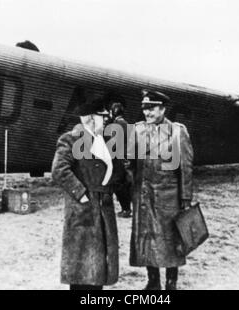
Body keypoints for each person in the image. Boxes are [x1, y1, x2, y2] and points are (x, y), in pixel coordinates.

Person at [126, 90, 194, 290]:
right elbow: (129, 163)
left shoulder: (177, 131)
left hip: (168, 195)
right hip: (144, 194)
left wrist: (185, 197)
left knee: (171, 239)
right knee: (147, 238)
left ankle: (171, 281)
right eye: (145, 108)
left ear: (163, 109)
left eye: (152, 108)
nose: (147, 113)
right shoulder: (136, 130)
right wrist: (134, 185)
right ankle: (153, 279)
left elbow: (186, 166)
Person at [51, 99, 119, 290]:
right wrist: (81, 195)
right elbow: (59, 170)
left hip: (102, 210)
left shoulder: (101, 139)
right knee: (82, 268)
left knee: (97, 269)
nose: (106, 120)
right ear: (90, 118)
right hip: (84, 211)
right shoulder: (71, 139)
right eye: (103, 117)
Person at [107, 98, 132, 218]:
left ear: (113, 112)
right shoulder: (126, 123)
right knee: (123, 183)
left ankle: (126, 209)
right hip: (125, 158)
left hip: (118, 158)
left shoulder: (116, 125)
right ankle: (127, 208)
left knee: (117, 184)